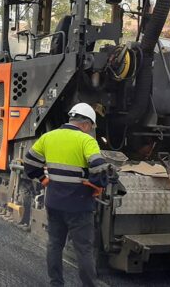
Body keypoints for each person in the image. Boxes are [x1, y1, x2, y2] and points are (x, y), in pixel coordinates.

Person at [23, 103, 109, 287]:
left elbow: (29, 161)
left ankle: (56, 283)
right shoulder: (86, 141)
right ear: (86, 124)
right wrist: (97, 185)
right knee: (83, 250)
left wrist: (43, 179)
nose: (90, 131)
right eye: (91, 127)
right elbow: (100, 168)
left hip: (54, 202)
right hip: (79, 205)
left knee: (54, 245)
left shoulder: (48, 137)